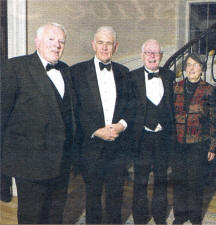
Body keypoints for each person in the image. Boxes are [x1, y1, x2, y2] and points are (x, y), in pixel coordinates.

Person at [1, 23, 74, 224]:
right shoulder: (15, 67)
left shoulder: (66, 70)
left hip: (61, 161)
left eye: (61, 41)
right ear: (37, 42)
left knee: (55, 215)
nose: (57, 45)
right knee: (32, 217)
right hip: (29, 163)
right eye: (51, 39)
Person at [70, 26, 131, 224]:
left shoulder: (124, 72)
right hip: (91, 145)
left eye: (109, 43)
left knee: (115, 196)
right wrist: (96, 131)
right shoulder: (77, 72)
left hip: (118, 146)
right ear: (93, 44)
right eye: (101, 43)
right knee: (93, 197)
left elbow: (132, 106)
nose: (105, 47)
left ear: (116, 47)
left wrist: (121, 125)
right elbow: (74, 109)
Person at [129, 39, 176, 225]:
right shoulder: (132, 77)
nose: (152, 56)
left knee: (161, 179)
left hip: (163, 137)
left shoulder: (170, 76)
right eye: (148, 52)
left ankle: (159, 217)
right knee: (139, 181)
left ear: (161, 56)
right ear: (142, 55)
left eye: (156, 53)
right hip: (141, 138)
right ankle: (140, 218)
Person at [172, 53, 216, 224]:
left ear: (202, 68)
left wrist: (213, 146)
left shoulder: (209, 89)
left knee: (195, 182)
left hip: (198, 144)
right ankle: (180, 215)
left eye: (196, 65)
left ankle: (195, 217)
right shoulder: (175, 87)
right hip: (178, 143)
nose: (191, 68)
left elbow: (214, 120)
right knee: (179, 181)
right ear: (185, 68)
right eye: (189, 65)